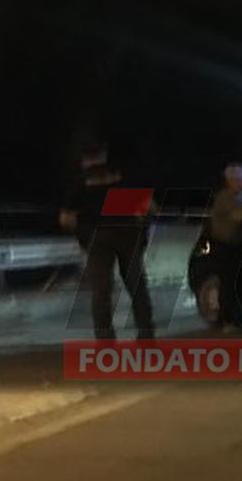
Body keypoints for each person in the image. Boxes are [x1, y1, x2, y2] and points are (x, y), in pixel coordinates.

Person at [60, 143, 155, 340]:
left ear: (84, 159)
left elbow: (66, 219)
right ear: (104, 155)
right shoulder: (122, 176)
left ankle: (105, 340)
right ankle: (146, 333)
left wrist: (83, 233)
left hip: (99, 238)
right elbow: (150, 208)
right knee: (137, 285)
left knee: (101, 290)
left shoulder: (80, 182)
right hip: (129, 235)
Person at [208, 162, 242, 332]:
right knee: (228, 284)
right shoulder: (225, 198)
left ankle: (238, 319)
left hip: (241, 246)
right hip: (226, 245)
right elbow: (238, 216)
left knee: (240, 284)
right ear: (230, 181)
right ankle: (227, 320)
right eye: (239, 180)